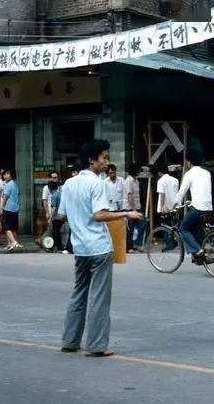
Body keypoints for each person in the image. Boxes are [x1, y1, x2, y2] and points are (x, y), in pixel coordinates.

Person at [59, 139, 142, 357]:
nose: (106, 161)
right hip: (98, 247)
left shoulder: (68, 184)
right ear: (91, 160)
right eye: (103, 157)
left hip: (80, 248)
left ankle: (70, 341)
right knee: (99, 297)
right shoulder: (97, 183)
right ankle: (96, 345)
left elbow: (61, 215)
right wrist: (126, 213)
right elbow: (99, 214)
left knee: (79, 293)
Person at [174, 148, 213, 264]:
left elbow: (182, 192)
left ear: (189, 162)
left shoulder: (189, 174)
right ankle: (199, 257)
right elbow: (203, 191)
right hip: (208, 209)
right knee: (195, 228)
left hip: (198, 208)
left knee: (183, 229)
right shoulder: (207, 173)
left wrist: (175, 204)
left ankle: (198, 251)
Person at [123, 164, 147, 253]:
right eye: (138, 171)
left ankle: (137, 244)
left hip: (137, 207)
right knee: (130, 228)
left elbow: (137, 196)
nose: (139, 172)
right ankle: (128, 247)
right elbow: (130, 197)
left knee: (143, 223)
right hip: (129, 208)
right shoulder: (128, 181)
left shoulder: (136, 181)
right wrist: (134, 210)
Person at [0, 168, 22, 251]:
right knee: (13, 228)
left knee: (6, 227)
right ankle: (11, 244)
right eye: (4, 174)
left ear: (11, 174)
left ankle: (14, 242)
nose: (5, 176)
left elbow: (5, 197)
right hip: (15, 208)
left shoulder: (9, 185)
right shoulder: (14, 183)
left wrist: (1, 207)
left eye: (7, 173)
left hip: (8, 208)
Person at [48, 180, 65, 252]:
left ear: (49, 188)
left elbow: (53, 208)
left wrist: (50, 218)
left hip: (56, 216)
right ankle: (56, 247)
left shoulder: (53, 196)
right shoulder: (60, 194)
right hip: (62, 215)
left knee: (55, 232)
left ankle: (58, 247)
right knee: (57, 232)